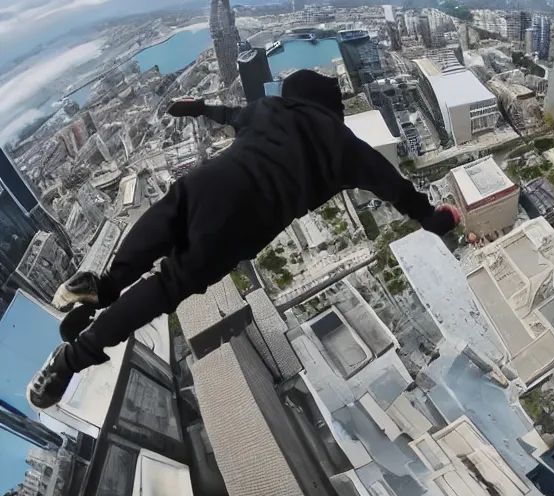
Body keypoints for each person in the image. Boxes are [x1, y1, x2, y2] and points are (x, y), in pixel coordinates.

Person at [27, 69, 460, 410]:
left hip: (204, 185)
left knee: (161, 222)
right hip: (242, 224)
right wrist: (436, 220)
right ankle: (70, 360)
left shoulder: (269, 107)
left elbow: (229, 113)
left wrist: (197, 108)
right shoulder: (347, 146)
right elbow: (399, 191)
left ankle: (104, 285)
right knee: (167, 287)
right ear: (329, 108)